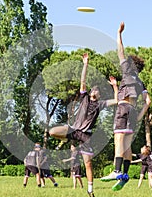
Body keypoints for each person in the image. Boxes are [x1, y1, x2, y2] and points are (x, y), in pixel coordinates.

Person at [49, 52, 119, 197]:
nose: (95, 91)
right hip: (74, 130)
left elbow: (117, 100)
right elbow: (82, 81)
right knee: (52, 132)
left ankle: (90, 190)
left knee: (88, 164)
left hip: (86, 136)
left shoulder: (100, 104)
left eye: (97, 91)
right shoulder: (84, 97)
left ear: (99, 95)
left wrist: (115, 86)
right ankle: (66, 138)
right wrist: (85, 64)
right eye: (93, 90)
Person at [100, 21, 151, 192]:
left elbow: (120, 51)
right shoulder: (141, 82)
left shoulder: (128, 72)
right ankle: (125, 174)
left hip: (123, 108)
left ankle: (116, 171)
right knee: (127, 146)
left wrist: (119, 33)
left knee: (118, 140)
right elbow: (148, 102)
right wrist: (138, 116)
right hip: (133, 111)